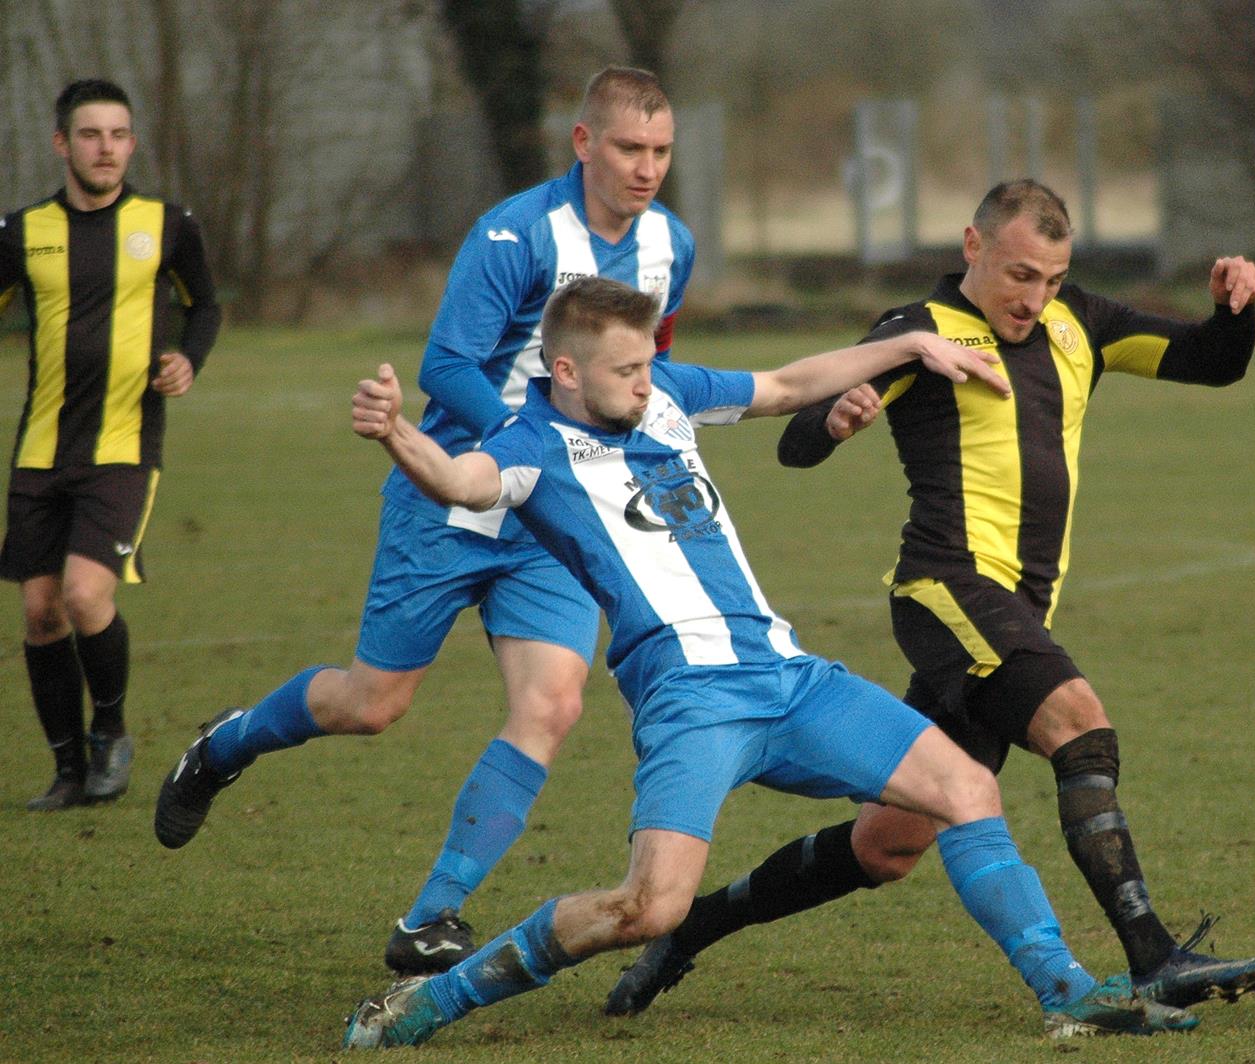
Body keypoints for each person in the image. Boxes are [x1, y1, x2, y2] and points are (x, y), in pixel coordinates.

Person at [340, 276, 1199, 1047]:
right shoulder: (530, 445)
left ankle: (1069, 992)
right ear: (564, 372)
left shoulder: (666, 393)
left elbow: (788, 385)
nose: (645, 382)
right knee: (650, 908)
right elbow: (459, 482)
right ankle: (435, 999)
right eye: (624, 371)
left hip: (789, 678)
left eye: (648, 364)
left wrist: (907, 345)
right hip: (690, 702)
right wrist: (395, 434)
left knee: (966, 790)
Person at [605, 179, 1255, 1016]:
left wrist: (1235, 309)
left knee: (888, 844)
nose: (1035, 299)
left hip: (1015, 613)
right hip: (947, 590)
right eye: (1021, 274)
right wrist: (839, 419)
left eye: (1054, 279)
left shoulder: (1081, 326)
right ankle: (1153, 956)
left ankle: (684, 935)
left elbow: (1214, 363)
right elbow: (795, 443)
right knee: (1079, 721)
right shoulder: (916, 333)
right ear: (973, 247)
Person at [151, 66, 691, 975]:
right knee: (374, 703)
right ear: (584, 143)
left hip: (552, 521)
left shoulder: (671, 243)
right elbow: (446, 366)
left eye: (663, 151)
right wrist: (519, 452)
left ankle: (432, 916)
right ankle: (224, 743)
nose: (647, 168)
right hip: (449, 492)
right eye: (631, 148)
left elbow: (650, 361)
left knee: (554, 704)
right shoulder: (517, 232)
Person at [1, 79, 220, 811]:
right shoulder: (22, 232)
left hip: (125, 446)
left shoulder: (167, 224)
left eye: (119, 134)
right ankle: (68, 771)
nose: (107, 148)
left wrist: (188, 357)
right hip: (39, 448)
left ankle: (112, 732)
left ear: (132, 142)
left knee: (86, 594)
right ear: (63, 144)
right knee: (40, 613)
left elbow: (206, 304)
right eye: (91, 135)